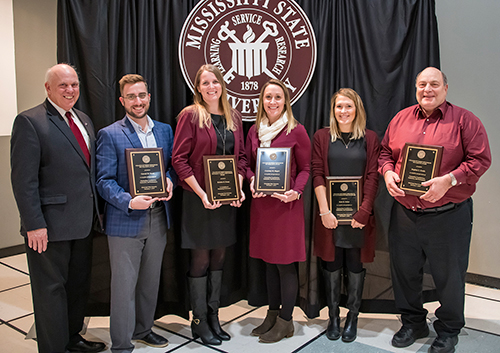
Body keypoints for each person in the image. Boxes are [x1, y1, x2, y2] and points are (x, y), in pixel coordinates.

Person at [379, 67, 491, 353]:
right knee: (404, 272)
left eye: (434, 84)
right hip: (405, 213)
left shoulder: (466, 121)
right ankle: (413, 322)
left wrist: (450, 180)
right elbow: (384, 153)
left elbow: (481, 159)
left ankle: (449, 329)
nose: (427, 89)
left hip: (449, 215)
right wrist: (388, 172)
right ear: (415, 88)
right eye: (421, 84)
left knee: (449, 276)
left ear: (445, 88)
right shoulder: (400, 118)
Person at [10, 64, 106, 353]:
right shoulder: (30, 121)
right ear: (48, 88)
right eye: (63, 85)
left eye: (74, 84)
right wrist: (34, 224)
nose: (70, 90)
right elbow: (23, 181)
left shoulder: (84, 120)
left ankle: (72, 337)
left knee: (77, 288)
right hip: (48, 227)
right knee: (50, 292)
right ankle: (53, 348)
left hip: (82, 223)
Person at [96, 74, 175, 352]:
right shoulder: (110, 133)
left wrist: (169, 181)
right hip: (125, 219)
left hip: (157, 217)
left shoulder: (164, 130)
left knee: (150, 281)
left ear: (149, 97)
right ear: (122, 101)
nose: (137, 101)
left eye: (141, 95)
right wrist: (130, 201)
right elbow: (103, 181)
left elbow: (171, 167)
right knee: (123, 288)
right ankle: (121, 344)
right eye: (131, 97)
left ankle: (143, 329)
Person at [172, 64, 246, 345]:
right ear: (198, 88)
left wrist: (238, 188)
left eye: (215, 81)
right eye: (205, 83)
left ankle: (214, 316)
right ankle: (199, 320)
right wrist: (202, 193)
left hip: (226, 201)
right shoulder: (190, 116)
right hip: (198, 200)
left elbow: (240, 160)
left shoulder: (234, 117)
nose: (211, 87)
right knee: (200, 260)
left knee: (220, 258)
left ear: (222, 85)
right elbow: (178, 160)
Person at [312, 88, 380, 343]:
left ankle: (352, 316)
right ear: (333, 110)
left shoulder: (370, 138)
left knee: (354, 264)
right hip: (329, 215)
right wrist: (324, 211)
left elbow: (373, 175)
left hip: (357, 217)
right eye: (339, 106)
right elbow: (317, 172)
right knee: (331, 263)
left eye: (348, 106)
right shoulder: (321, 137)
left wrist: (364, 211)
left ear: (357, 110)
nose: (343, 111)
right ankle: (332, 317)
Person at [246, 79, 311, 343]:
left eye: (278, 97)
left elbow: (306, 168)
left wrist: (295, 190)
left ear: (286, 101)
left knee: (284, 266)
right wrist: (251, 179)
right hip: (262, 206)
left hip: (286, 207)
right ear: (261, 101)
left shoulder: (297, 131)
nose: (273, 102)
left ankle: (286, 321)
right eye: (268, 97)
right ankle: (272, 315)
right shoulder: (254, 131)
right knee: (269, 264)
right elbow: (246, 164)